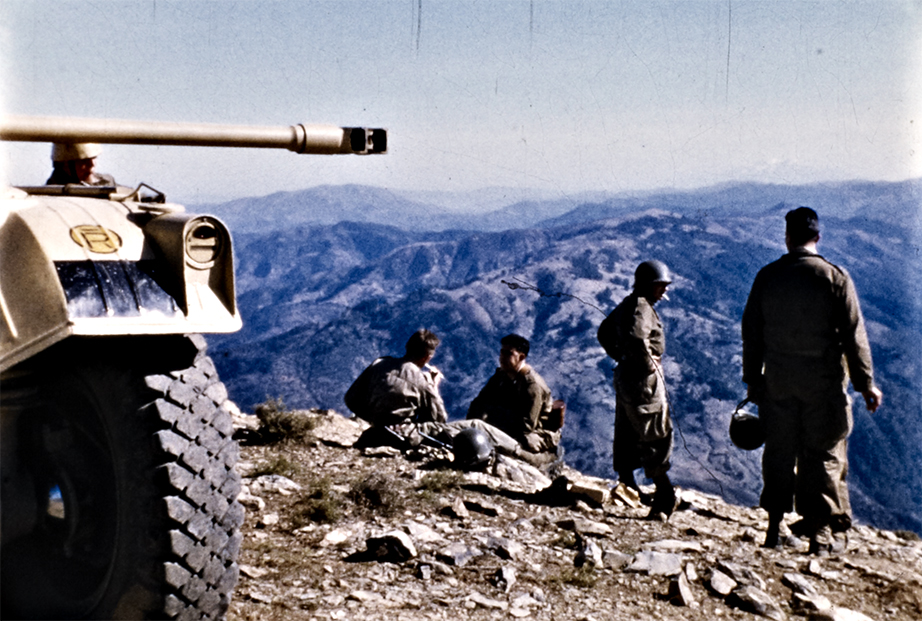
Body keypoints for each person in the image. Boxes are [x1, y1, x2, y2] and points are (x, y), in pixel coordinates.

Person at [742, 207, 882, 554]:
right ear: (818, 237)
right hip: (824, 385)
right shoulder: (835, 278)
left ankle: (774, 530)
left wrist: (753, 380)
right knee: (824, 454)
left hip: (777, 383)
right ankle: (820, 536)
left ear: (787, 237)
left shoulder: (767, 277)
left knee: (779, 452)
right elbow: (854, 336)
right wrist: (866, 384)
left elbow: (751, 333)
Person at [344, 329, 538, 467]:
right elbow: (439, 420)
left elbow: (351, 399)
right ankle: (523, 454)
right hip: (406, 435)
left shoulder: (379, 364)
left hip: (377, 430)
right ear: (427, 358)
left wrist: (377, 417)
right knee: (477, 425)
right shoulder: (421, 380)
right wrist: (434, 387)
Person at [597, 260, 677, 520]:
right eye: (660, 286)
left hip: (626, 378)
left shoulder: (629, 303)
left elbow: (604, 332)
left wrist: (620, 356)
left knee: (627, 430)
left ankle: (627, 484)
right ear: (648, 285)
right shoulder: (642, 308)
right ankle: (664, 494)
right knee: (654, 433)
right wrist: (646, 362)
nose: (664, 292)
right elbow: (635, 337)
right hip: (644, 382)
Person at [467, 334, 561, 456]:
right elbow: (479, 403)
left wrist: (494, 420)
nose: (502, 357)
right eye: (502, 352)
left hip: (529, 434)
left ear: (521, 357)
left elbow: (526, 426)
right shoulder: (501, 376)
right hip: (507, 425)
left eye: (508, 354)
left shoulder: (532, 385)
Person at [46, 142, 117, 186]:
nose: (92, 164)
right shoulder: (52, 194)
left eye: (94, 158)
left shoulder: (107, 181)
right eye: (84, 160)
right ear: (64, 164)